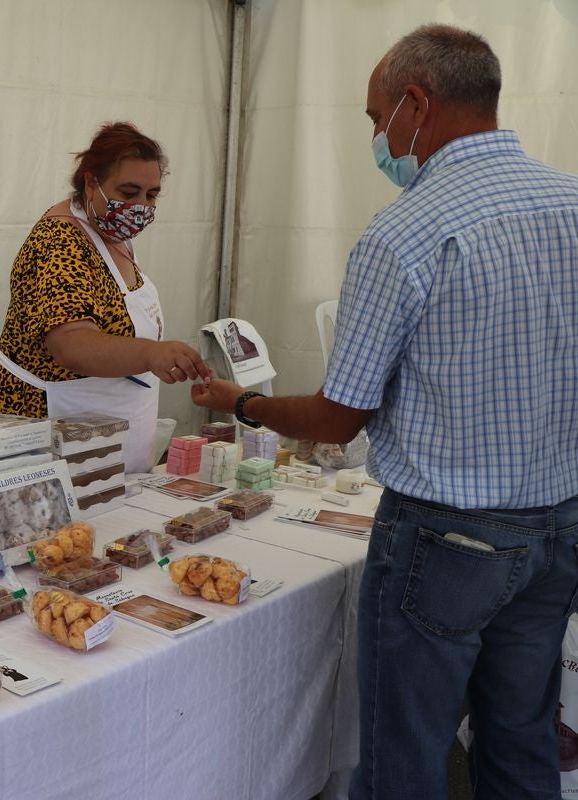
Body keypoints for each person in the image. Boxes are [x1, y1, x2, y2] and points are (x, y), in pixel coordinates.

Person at [192, 24, 578, 799]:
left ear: (415, 105)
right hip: (558, 524)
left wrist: (247, 402)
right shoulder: (570, 202)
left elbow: (340, 418)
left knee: (406, 753)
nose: (376, 137)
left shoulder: (406, 231)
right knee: (521, 736)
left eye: (375, 119)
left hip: (447, 536)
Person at [0, 122, 210, 472]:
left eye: (151, 195)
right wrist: (151, 353)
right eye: (128, 191)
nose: (140, 206)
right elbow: (71, 344)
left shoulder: (111, 230)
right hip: (45, 434)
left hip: (104, 437)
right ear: (91, 182)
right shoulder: (59, 241)